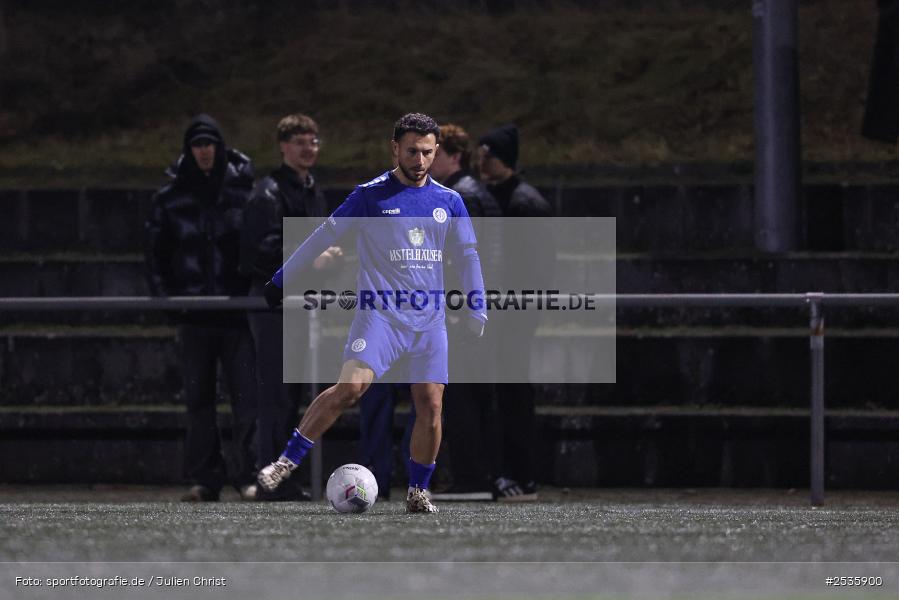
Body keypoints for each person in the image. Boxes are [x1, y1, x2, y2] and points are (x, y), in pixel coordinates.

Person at [257, 113, 487, 513]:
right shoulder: (369, 196)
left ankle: (418, 490)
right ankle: (285, 462)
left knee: (431, 406)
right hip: (380, 317)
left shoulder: (449, 202)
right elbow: (322, 237)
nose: (420, 160)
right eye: (412, 150)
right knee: (349, 389)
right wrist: (281, 280)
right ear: (394, 147)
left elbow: (468, 257)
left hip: (428, 321)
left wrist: (477, 309)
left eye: (428, 152)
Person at [145, 114, 258, 502]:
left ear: (220, 147)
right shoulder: (170, 198)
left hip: (237, 314)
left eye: (210, 143)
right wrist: (169, 302)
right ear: (189, 150)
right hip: (194, 316)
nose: (205, 150)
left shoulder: (244, 194)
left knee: (247, 400)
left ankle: (248, 475)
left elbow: (257, 249)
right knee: (199, 402)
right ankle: (206, 478)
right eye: (198, 144)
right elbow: (156, 256)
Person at [241, 113, 338, 501]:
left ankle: (284, 475)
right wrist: (311, 262)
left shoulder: (310, 189)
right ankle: (270, 478)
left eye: (313, 141)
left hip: (299, 305)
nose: (308, 148)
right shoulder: (266, 193)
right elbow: (258, 253)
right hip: (275, 306)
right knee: (275, 396)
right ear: (283, 146)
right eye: (299, 141)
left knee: (295, 395)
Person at [477, 123, 555, 502]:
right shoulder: (504, 197)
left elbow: (534, 266)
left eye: (488, 154)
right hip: (505, 311)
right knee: (506, 395)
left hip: (513, 314)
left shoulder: (523, 203)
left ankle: (518, 472)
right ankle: (512, 472)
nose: (481, 160)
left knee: (511, 396)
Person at [429, 123, 502, 501]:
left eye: (435, 153)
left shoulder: (459, 195)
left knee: (460, 399)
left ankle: (470, 477)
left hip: (462, 312)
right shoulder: (475, 192)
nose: (427, 160)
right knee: (472, 397)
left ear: (453, 156)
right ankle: (479, 475)